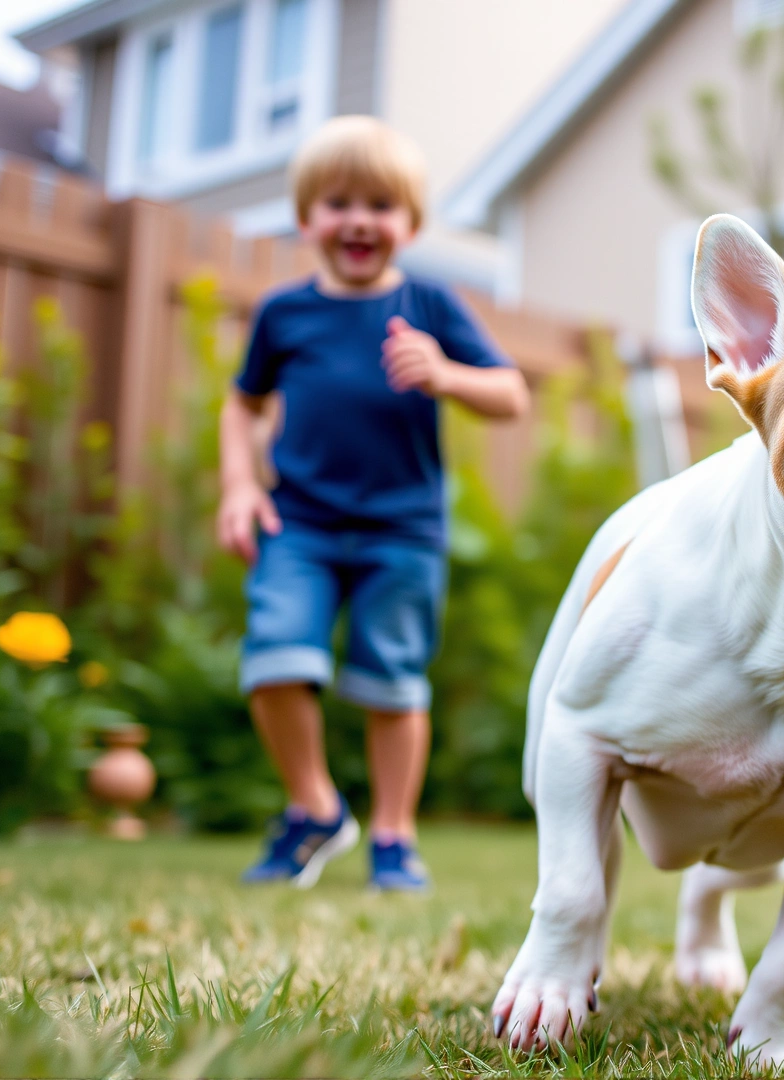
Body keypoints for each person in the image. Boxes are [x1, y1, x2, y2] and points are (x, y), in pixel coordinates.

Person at [217, 116, 530, 892]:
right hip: (301, 523)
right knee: (275, 657)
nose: (359, 219)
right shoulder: (283, 314)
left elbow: (511, 395)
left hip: (403, 530)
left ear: (410, 223)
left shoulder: (433, 304)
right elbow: (241, 405)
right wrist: (238, 484)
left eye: (380, 205)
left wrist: (447, 375)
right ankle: (314, 807)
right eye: (338, 202)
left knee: (393, 682)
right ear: (305, 218)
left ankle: (393, 835)